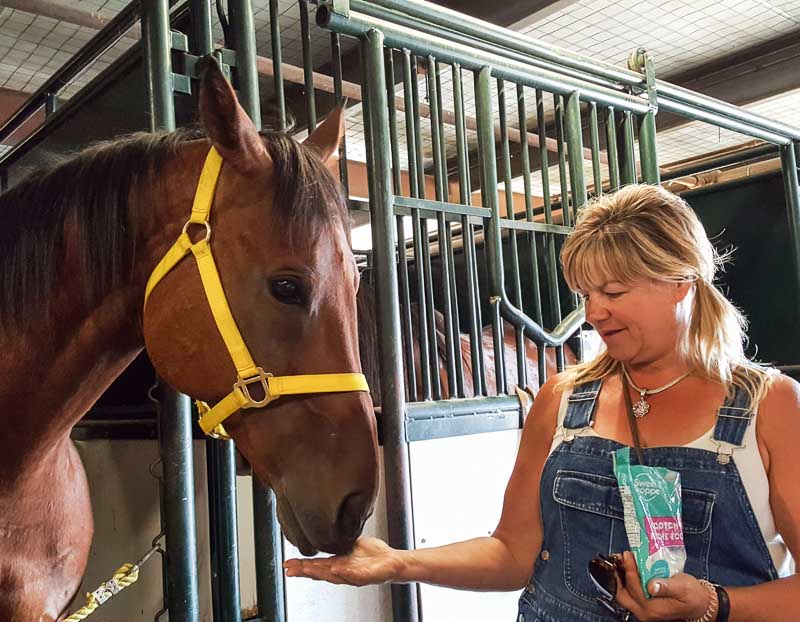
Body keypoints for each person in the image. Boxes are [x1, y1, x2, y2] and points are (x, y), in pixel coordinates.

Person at [284, 184, 799, 621]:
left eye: (614, 292)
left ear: (682, 285)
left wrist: (717, 603)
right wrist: (400, 563)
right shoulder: (561, 399)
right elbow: (512, 551)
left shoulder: (767, 406)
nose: (594, 312)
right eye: (585, 294)